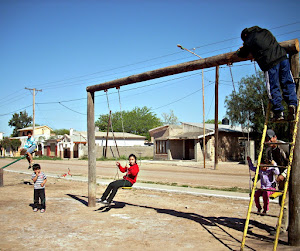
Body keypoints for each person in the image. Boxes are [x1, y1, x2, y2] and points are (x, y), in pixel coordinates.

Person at [237, 26, 298, 121]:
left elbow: (242, 53)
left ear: (245, 35)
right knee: (288, 82)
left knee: (273, 87)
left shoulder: (249, 38)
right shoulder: (265, 31)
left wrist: (241, 49)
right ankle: (292, 104)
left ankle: (278, 112)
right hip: (282, 58)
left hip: (270, 63)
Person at [265, 129, 289, 234]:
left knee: (285, 203)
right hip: (281, 179)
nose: (268, 142)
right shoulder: (269, 151)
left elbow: (294, 162)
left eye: (270, 139)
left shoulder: (284, 147)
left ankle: (282, 228)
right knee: (282, 202)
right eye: (267, 140)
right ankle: (287, 225)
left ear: (275, 137)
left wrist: (284, 175)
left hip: (291, 176)